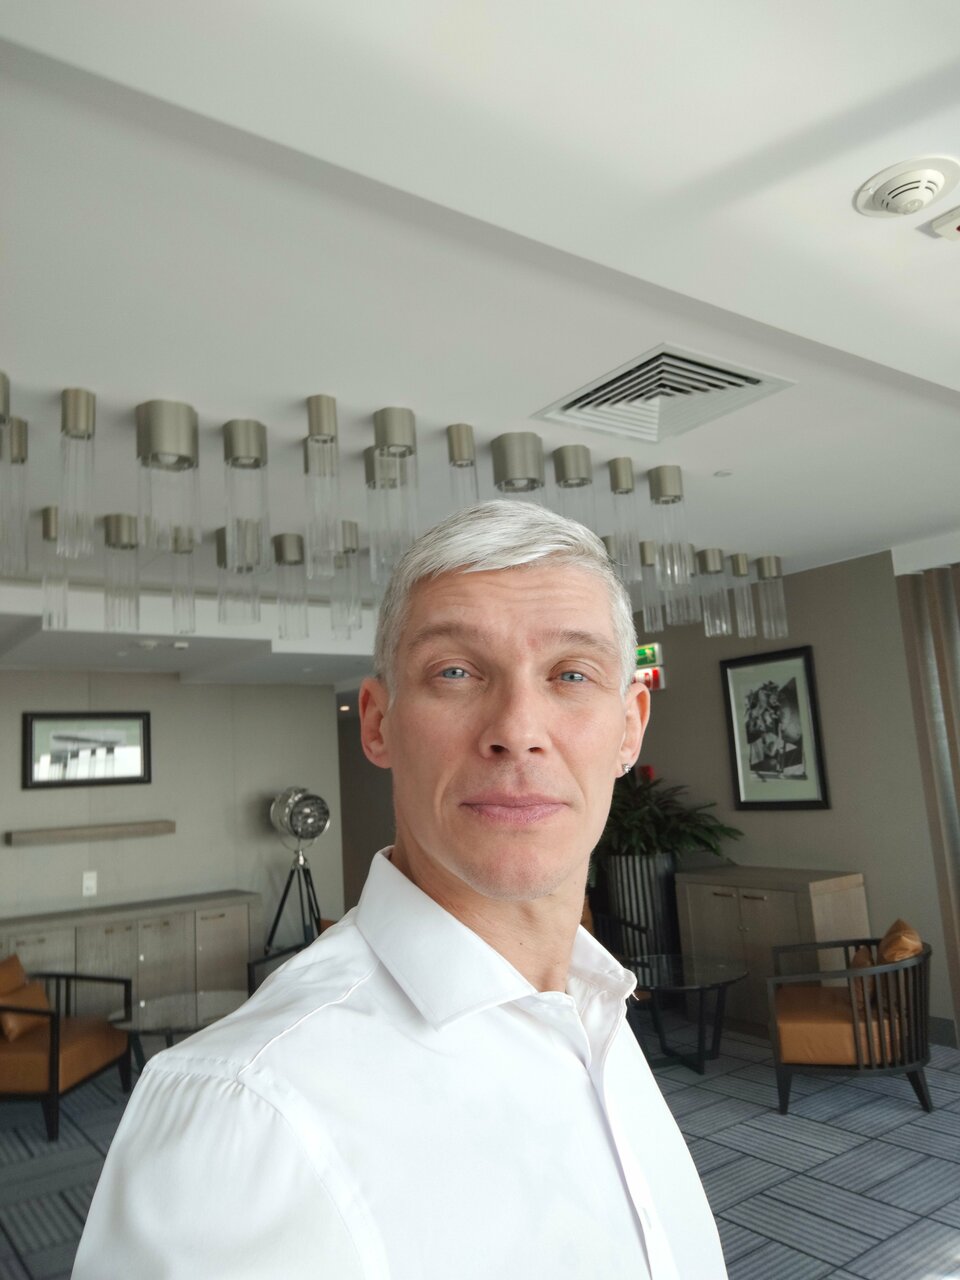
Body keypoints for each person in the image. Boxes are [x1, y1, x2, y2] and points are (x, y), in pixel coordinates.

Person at [74, 500, 727, 1280]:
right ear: (378, 723)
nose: (518, 729)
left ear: (629, 728)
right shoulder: (246, 1109)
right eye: (456, 672)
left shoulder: (597, 1009)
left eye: (571, 674)